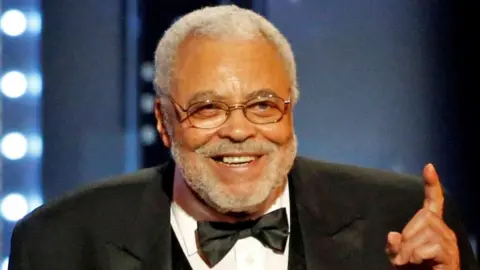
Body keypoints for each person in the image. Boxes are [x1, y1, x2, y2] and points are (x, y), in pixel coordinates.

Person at [8, 4, 479, 270]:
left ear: (291, 110)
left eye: (263, 105)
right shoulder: (59, 243)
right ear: (163, 122)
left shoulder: (402, 219)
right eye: (208, 108)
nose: (239, 130)